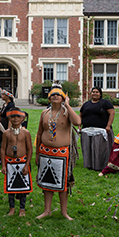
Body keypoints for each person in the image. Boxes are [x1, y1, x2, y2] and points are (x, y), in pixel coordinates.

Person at [36, 87, 81, 220]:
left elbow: (78, 122)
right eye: (53, 94)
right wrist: (37, 153)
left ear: (63, 97)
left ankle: (64, 212)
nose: (55, 96)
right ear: (49, 98)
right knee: (47, 182)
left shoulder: (67, 113)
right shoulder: (45, 113)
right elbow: (39, 133)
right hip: (45, 151)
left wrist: (67, 104)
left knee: (64, 183)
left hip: (61, 153)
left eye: (58, 94)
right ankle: (47, 210)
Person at [1, 107, 33, 216]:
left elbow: (29, 149)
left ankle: (22, 209)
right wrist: (3, 166)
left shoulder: (25, 132)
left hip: (22, 162)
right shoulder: (6, 133)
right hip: (10, 163)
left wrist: (27, 165)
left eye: (18, 116)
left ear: (22, 118)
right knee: (11, 188)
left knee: (23, 188)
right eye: (13, 116)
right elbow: (3, 149)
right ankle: (12, 208)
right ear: (9, 118)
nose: (15, 119)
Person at [80, 86, 115, 171]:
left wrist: (108, 125)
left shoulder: (105, 103)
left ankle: (100, 165)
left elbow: (112, 113)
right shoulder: (86, 104)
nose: (94, 93)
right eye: (93, 92)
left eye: (97, 92)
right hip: (87, 130)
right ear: (91, 93)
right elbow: (80, 115)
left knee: (100, 149)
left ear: (100, 94)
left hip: (101, 130)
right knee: (87, 148)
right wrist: (79, 126)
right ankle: (89, 164)